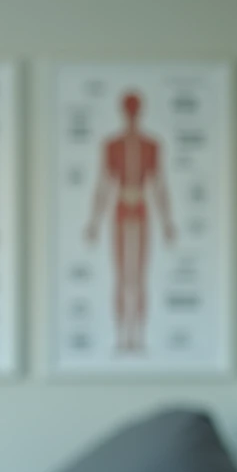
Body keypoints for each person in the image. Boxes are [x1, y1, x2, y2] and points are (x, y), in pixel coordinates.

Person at [84, 91, 176, 352]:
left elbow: (159, 185)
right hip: (121, 209)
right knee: (122, 275)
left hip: (142, 210)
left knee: (139, 276)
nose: (132, 115)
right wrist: (94, 221)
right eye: (129, 110)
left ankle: (139, 335)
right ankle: (122, 335)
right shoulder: (112, 145)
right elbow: (103, 184)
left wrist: (167, 221)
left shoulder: (151, 145)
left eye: (135, 110)